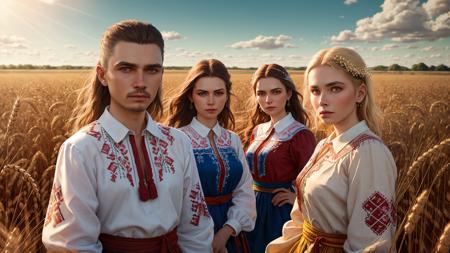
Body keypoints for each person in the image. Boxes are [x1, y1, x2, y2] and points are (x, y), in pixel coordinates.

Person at [42, 20, 214, 253]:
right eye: (126, 69)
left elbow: (196, 227)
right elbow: (71, 245)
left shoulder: (178, 142)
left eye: (151, 69)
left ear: (161, 74)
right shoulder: (81, 149)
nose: (141, 82)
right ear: (103, 75)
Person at [266, 47, 397, 253]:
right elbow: (303, 215)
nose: (322, 100)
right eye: (315, 91)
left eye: (335, 89)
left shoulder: (368, 153)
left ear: (360, 93)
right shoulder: (326, 144)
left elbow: (370, 244)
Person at [167, 59, 256, 253]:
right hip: (189, 233)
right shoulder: (177, 139)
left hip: (232, 233)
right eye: (202, 93)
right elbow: (171, 198)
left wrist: (227, 230)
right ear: (191, 96)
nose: (211, 101)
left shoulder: (232, 139)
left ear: (226, 96)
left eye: (218, 93)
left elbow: (245, 191)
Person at [242, 64, 316, 253]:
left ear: (289, 94)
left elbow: (314, 181)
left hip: (279, 212)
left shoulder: (300, 134)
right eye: (261, 93)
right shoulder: (258, 130)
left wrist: (295, 199)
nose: (268, 100)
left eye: (276, 92)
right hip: (252, 207)